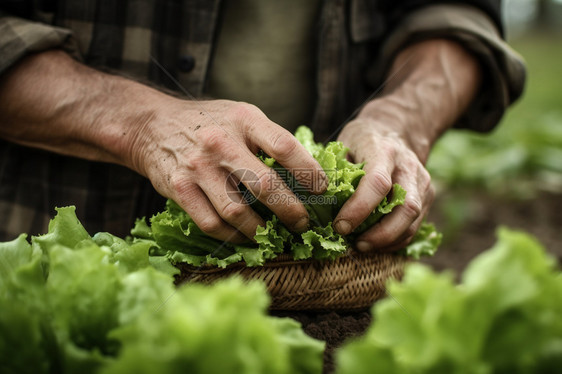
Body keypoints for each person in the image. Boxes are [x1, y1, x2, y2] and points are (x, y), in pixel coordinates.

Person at [0, 0, 525, 252]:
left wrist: (398, 119)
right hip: (67, 250)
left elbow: (454, 18)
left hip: (325, 287)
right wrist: (139, 125)